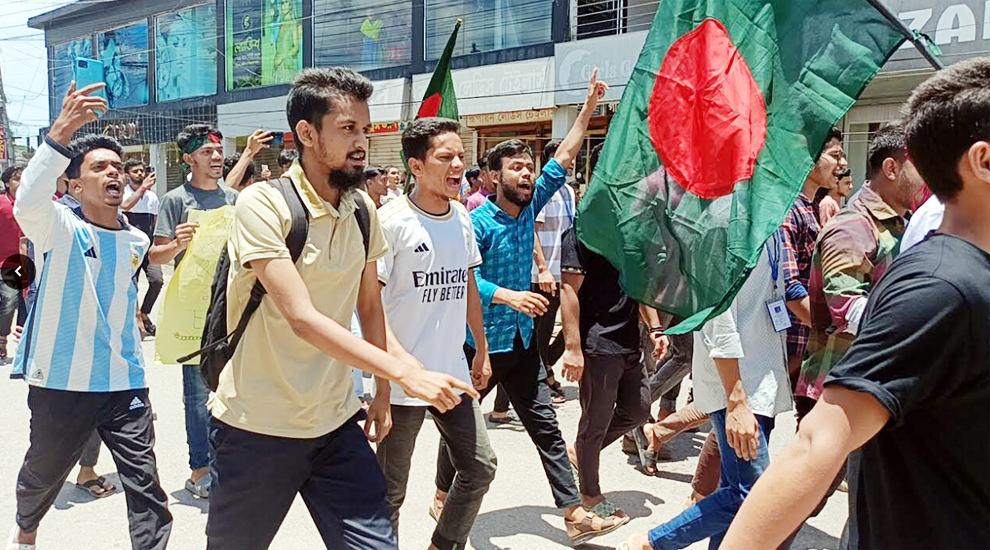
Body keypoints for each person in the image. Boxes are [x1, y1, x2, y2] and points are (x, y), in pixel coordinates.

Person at [722, 57, 990, 550]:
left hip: (873, 381)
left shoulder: (927, 249)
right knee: (799, 481)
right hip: (836, 369)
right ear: (982, 162)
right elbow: (842, 311)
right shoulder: (936, 283)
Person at [205, 67, 477, 550]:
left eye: (365, 130)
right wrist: (404, 372)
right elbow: (303, 318)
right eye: (348, 129)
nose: (362, 143)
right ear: (307, 134)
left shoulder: (360, 209)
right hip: (256, 427)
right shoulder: (262, 204)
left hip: (335, 424)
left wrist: (386, 391)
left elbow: (371, 308)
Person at [433, 69, 616, 545]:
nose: (527, 173)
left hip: (519, 342)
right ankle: (439, 491)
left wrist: (588, 106)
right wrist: (509, 294)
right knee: (462, 425)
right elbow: (466, 277)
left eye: (529, 166)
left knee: (546, 428)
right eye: (516, 168)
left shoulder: (531, 206)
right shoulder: (476, 222)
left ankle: (572, 513)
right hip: (477, 346)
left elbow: (567, 153)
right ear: (494, 177)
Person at [7, 82, 172, 550]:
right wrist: (61, 130)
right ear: (75, 186)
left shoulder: (137, 241)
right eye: (100, 168)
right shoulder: (57, 226)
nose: (114, 174)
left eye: (118, 167)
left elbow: (124, 290)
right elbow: (29, 201)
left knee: (147, 488)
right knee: (44, 472)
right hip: (62, 381)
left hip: (124, 383)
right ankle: (26, 531)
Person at [619, 234, 792, 550]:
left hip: (759, 381)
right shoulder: (726, 225)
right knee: (750, 496)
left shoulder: (769, 221)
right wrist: (736, 399)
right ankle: (651, 543)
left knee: (733, 490)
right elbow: (717, 319)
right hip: (739, 386)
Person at [374, 118, 497, 550]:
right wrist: (386, 383)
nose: (458, 165)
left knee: (481, 466)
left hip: (452, 375)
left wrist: (480, 350)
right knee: (389, 492)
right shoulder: (390, 223)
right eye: (445, 157)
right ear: (416, 165)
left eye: (461, 156)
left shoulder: (462, 217)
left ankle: (443, 544)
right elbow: (371, 308)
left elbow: (466, 290)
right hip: (403, 383)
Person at [794, 122, 924, 415]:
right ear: (892, 169)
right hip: (839, 393)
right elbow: (846, 307)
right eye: (921, 167)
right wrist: (921, 324)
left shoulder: (905, 223)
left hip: (877, 386)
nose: (928, 178)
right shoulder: (853, 226)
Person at [559, 174, 667, 526]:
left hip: (629, 341)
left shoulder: (630, 234)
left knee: (638, 410)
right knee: (596, 420)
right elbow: (569, 292)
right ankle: (590, 494)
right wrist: (573, 348)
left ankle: (581, 451)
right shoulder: (581, 233)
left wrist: (654, 328)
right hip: (598, 342)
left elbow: (639, 288)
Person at [150, 123, 239, 499]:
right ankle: (200, 469)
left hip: (233, 305)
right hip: (193, 310)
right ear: (188, 159)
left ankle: (230, 463)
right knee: (197, 396)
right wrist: (176, 244)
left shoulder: (235, 197)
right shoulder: (175, 200)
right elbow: (154, 257)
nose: (216, 158)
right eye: (207, 153)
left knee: (235, 389)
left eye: (218, 152)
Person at [779, 127, 847, 381]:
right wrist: (830, 330)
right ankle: (662, 423)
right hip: (785, 342)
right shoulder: (788, 210)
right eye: (836, 155)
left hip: (802, 342)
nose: (843, 164)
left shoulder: (809, 208)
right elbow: (789, 286)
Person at [532, 139, 576, 404]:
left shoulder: (570, 192)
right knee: (543, 328)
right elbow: (532, 231)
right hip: (544, 273)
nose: (571, 164)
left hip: (567, 272)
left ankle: (546, 364)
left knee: (574, 323)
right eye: (567, 160)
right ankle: (542, 379)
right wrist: (542, 268)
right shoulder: (542, 191)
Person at [119, 159, 163, 337]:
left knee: (157, 280)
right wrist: (142, 188)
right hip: (130, 246)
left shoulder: (152, 197)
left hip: (148, 246)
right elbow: (125, 206)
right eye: (136, 171)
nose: (140, 174)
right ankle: (134, 319)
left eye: (142, 171)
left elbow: (155, 221)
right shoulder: (124, 193)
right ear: (128, 175)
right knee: (131, 284)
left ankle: (144, 313)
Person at [0, 166, 26, 361]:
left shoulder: (35, 202)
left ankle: (10, 341)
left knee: (17, 302)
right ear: (7, 183)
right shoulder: (1, 203)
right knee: (8, 301)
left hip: (24, 262)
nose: (21, 181)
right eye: (16, 179)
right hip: (4, 260)